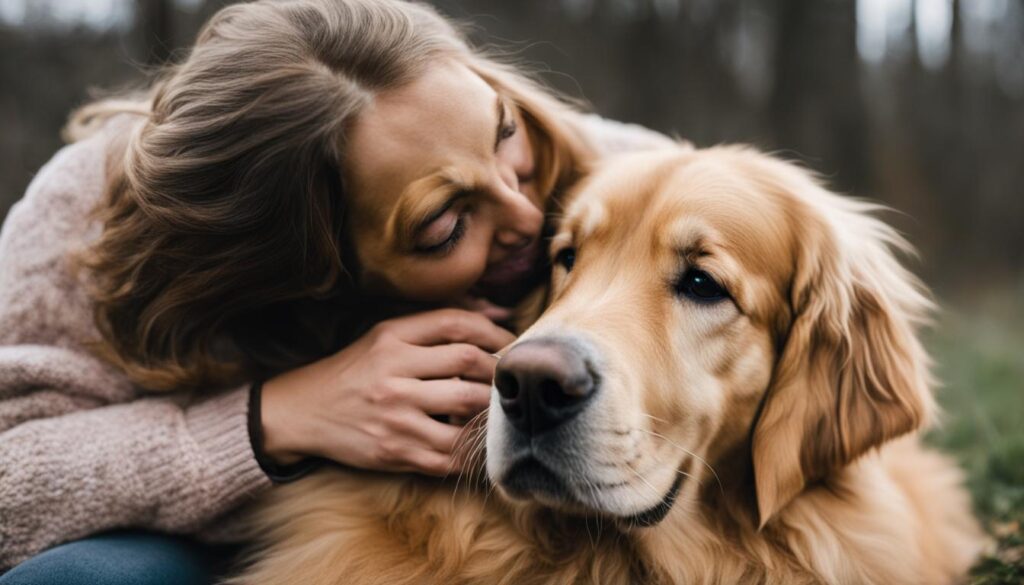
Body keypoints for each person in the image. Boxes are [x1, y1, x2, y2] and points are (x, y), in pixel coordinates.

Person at [0, 0, 672, 583]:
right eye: (444, 226)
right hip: (213, 539)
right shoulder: (80, 233)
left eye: (502, 132)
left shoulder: (589, 168)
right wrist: (275, 420)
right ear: (306, 277)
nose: (527, 214)